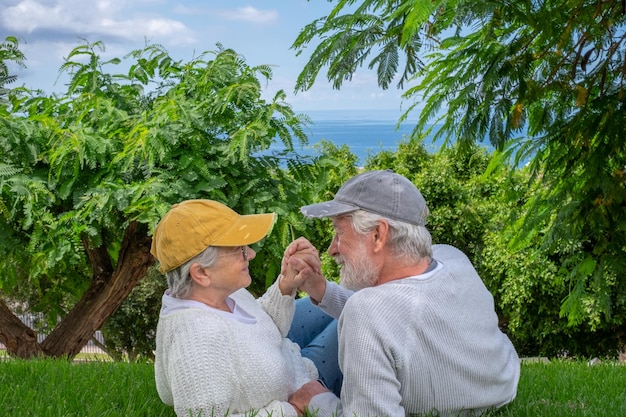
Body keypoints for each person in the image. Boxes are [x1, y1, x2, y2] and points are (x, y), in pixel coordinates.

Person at [284, 170, 521, 417]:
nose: (332, 249)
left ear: (378, 235)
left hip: (321, 364)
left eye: (339, 232)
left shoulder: (366, 312)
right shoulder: (451, 257)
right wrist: (319, 289)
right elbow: (392, 315)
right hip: (498, 384)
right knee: (307, 314)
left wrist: (316, 400)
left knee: (279, 352)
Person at [150, 199, 341, 417]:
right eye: (239, 250)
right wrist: (292, 410)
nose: (251, 254)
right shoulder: (196, 343)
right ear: (201, 273)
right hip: (303, 383)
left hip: (289, 356)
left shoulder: (222, 293)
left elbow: (258, 329)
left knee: (346, 299)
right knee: (356, 313)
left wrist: (285, 284)